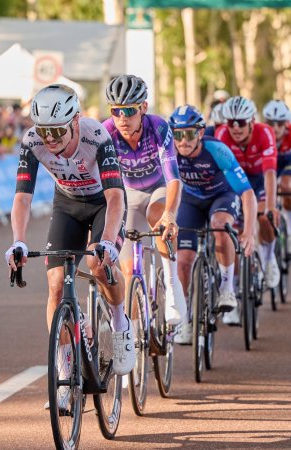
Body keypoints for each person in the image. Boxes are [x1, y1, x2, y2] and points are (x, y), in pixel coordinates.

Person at [4, 85, 135, 408]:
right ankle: (65, 374)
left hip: (104, 203)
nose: (49, 138)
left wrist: (108, 242)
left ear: (75, 121)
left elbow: (115, 197)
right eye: (43, 130)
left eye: (57, 130)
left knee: (98, 264)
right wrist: (18, 241)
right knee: (55, 286)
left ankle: (120, 325)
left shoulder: (96, 136)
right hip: (68, 204)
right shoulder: (32, 141)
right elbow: (22, 197)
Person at [102, 74, 187, 331]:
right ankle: (135, 334)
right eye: (116, 111)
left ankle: (171, 283)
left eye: (129, 110)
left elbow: (174, 178)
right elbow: (98, 182)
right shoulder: (106, 132)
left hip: (158, 188)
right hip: (129, 195)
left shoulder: (158, 127)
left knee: (158, 216)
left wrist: (170, 214)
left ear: (143, 108)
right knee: (129, 273)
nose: (122, 118)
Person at [169, 105, 258, 339]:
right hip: (190, 201)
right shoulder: (170, 152)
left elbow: (247, 193)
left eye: (189, 134)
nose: (183, 140)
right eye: (178, 134)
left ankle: (227, 288)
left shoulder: (217, 150)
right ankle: (186, 318)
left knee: (220, 225)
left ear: (200, 133)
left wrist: (249, 231)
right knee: (183, 261)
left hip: (222, 196)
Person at [214, 96, 280, 302]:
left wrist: (271, 205)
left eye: (241, 123)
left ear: (251, 121)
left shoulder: (265, 132)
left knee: (264, 217)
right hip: (234, 183)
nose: (235, 128)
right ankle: (233, 286)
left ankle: (269, 259)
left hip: (259, 181)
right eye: (231, 122)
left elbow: (270, 172)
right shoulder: (222, 134)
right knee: (231, 234)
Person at [263, 99, 291, 254]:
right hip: (269, 165)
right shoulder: (261, 133)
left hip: (288, 163)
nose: (275, 128)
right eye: (271, 123)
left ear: (286, 123)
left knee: (287, 185)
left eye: (280, 123)